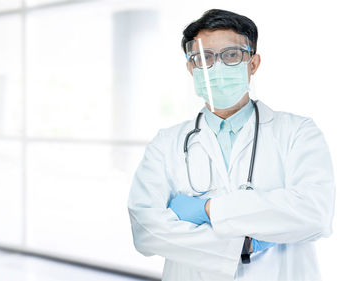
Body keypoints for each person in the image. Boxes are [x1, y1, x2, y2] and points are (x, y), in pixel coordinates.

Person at [127, 9, 335, 281]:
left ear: (253, 63)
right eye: (204, 57)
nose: (218, 66)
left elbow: (314, 213)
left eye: (232, 55)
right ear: (191, 68)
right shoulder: (166, 143)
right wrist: (241, 244)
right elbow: (147, 229)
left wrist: (207, 210)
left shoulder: (298, 132)